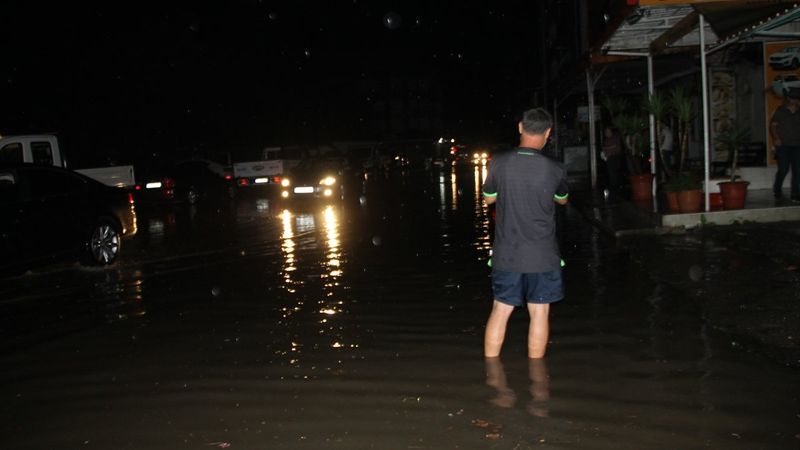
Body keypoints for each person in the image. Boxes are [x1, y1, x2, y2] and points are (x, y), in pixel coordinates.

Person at [482, 108, 568, 359]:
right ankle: (537, 378)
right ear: (548, 132)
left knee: (500, 309)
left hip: (507, 254)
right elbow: (562, 200)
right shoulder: (555, 168)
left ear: (520, 127)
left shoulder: (498, 162)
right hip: (542, 255)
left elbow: (488, 199)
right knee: (540, 312)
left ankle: (491, 374)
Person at [771, 87, 800, 202]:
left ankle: (795, 194)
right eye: (793, 98)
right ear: (788, 98)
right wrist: (776, 138)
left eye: (797, 98)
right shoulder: (781, 110)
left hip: (797, 145)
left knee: (797, 171)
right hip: (783, 145)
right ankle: (777, 189)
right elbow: (773, 126)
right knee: (783, 169)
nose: (794, 101)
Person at [601, 127, 624, 192]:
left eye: (607, 131)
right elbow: (604, 149)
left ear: (611, 132)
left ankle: (617, 185)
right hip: (608, 158)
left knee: (616, 171)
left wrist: (609, 149)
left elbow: (618, 148)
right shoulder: (606, 140)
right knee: (611, 172)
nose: (606, 133)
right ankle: (614, 185)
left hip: (615, 157)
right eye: (605, 132)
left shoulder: (615, 138)